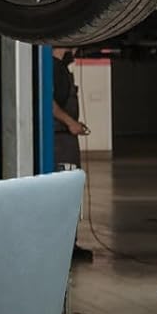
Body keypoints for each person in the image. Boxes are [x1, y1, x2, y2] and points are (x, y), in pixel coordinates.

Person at [50, 47, 93, 262]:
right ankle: (65, 247)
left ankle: (68, 244)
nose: (75, 51)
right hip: (60, 140)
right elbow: (50, 104)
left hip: (63, 138)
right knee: (65, 194)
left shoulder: (60, 69)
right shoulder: (56, 70)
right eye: (72, 47)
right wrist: (71, 123)